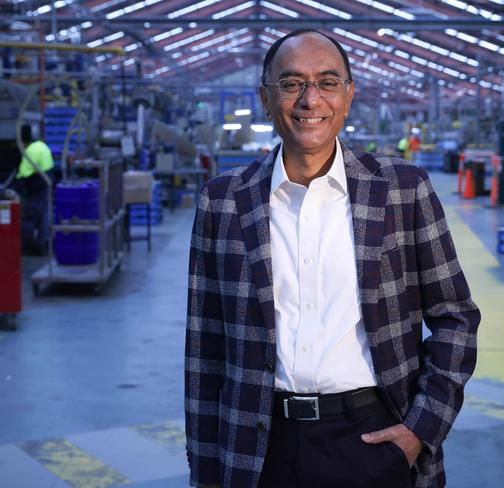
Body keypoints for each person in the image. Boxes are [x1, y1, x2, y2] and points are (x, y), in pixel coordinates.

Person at [185, 29, 480, 488]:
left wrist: (420, 430)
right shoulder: (222, 202)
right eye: (291, 84)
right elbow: (205, 352)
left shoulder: (403, 190)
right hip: (260, 448)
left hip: (374, 439)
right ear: (266, 98)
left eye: (326, 83)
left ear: (347, 96)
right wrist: (206, 471)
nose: (310, 100)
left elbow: (454, 317)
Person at [13, 124, 54, 255]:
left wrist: (13, 190)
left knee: (28, 219)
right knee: (44, 218)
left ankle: (28, 247)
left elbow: (23, 174)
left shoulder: (30, 151)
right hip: (46, 186)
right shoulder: (42, 146)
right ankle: (42, 246)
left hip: (36, 189)